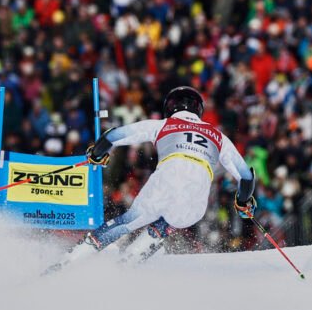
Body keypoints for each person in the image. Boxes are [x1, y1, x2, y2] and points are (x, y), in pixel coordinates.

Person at [61, 86, 256, 266]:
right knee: (175, 216)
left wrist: (97, 155)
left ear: (171, 107)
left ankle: (75, 256)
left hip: (165, 181)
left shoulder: (164, 124)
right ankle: (149, 241)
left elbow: (113, 136)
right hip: (196, 203)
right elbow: (246, 177)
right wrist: (243, 202)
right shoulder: (218, 135)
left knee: (128, 222)